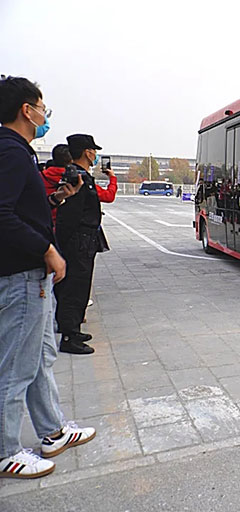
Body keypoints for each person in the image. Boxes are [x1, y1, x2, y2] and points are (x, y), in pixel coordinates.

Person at [0, 75, 96, 479]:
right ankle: (5, 451)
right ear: (27, 110)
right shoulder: (10, 151)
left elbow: (21, 208)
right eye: (42, 107)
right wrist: (47, 249)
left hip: (32, 276)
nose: (44, 114)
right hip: (21, 275)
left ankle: (52, 430)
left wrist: (58, 198)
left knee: (40, 359)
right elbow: (3, 215)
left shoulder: (18, 151)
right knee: (15, 367)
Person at [54, 134, 109, 355]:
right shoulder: (77, 177)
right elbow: (70, 215)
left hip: (84, 239)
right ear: (87, 152)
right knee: (74, 288)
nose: (95, 155)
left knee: (80, 286)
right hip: (79, 240)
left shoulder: (81, 175)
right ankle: (69, 336)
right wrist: (68, 243)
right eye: (93, 151)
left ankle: (74, 329)